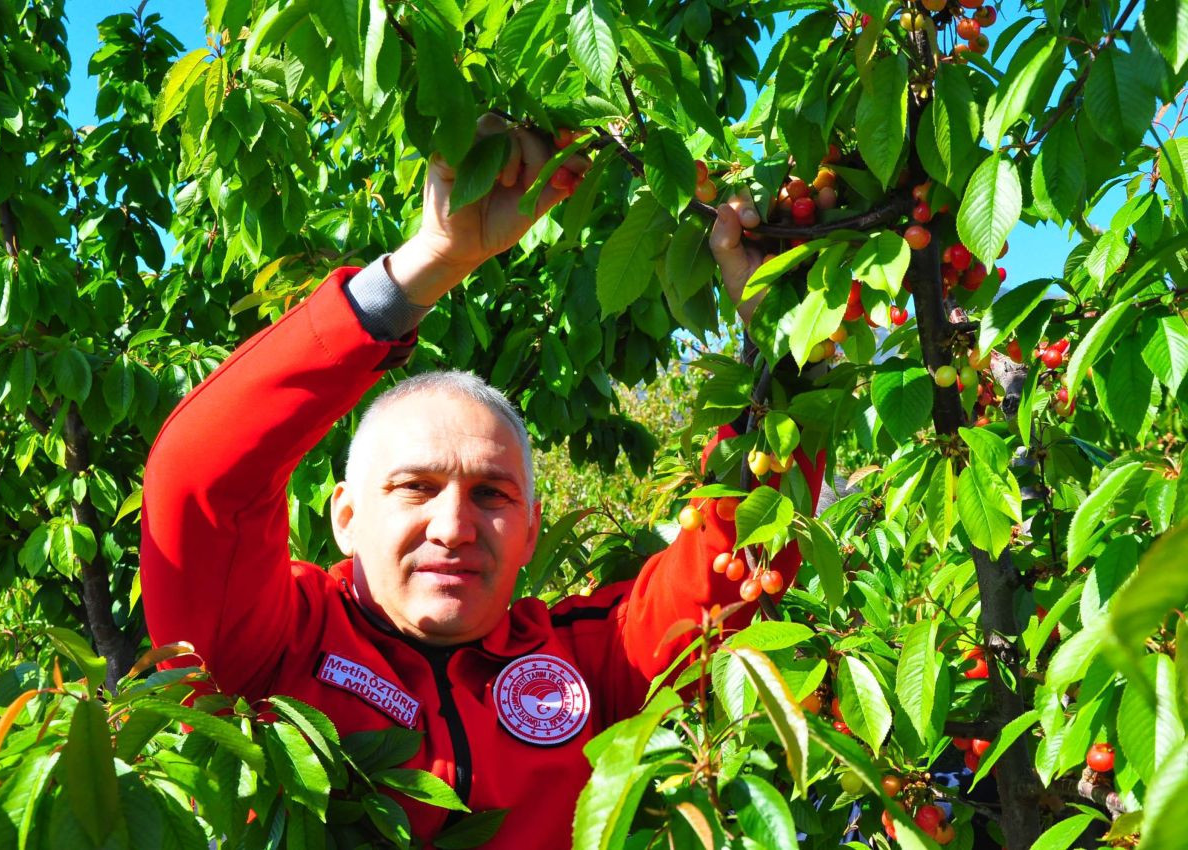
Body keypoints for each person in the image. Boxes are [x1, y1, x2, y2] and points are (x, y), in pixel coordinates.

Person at [140, 116, 823, 848]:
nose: (454, 527)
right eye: (414, 487)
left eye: (491, 495)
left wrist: (783, 350)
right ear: (345, 516)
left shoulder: (593, 661)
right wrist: (427, 263)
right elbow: (199, 480)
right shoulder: (273, 647)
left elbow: (734, 559)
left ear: (531, 528)